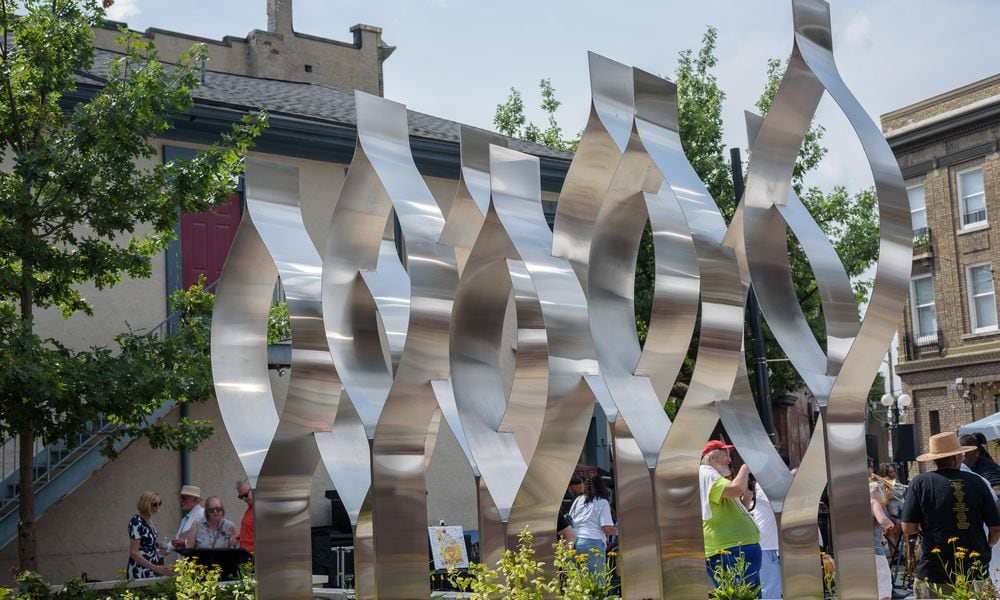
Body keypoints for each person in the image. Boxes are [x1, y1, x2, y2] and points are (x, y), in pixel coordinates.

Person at [901, 432, 1000, 598]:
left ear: (934, 459)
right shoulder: (978, 481)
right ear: (957, 457)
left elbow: (908, 528)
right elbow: (996, 529)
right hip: (974, 570)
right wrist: (985, 547)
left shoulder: (920, 482)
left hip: (934, 570)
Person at [699, 439, 761, 594]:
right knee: (737, 594)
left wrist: (746, 497)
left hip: (735, 548)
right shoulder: (707, 474)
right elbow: (735, 489)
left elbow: (738, 503)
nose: (729, 459)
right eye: (725, 455)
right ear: (712, 458)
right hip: (728, 549)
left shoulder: (715, 478)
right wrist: (745, 469)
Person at [567, 474, 616, 575]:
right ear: (601, 486)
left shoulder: (578, 500)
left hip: (575, 543)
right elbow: (606, 528)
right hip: (593, 543)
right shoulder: (602, 502)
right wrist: (618, 530)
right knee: (596, 580)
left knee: (578, 580)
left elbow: (571, 519)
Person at [126, 490, 171, 579]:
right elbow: (134, 552)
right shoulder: (136, 522)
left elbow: (147, 545)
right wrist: (156, 568)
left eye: (160, 503)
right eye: (155, 504)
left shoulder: (148, 521)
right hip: (140, 570)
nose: (158, 507)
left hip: (151, 569)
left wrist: (159, 549)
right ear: (146, 504)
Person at [748, 474, 780, 599]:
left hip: (767, 544)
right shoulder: (763, 487)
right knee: (770, 587)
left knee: (770, 585)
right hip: (766, 545)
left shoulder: (761, 488)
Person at [870, 473, 894, 600]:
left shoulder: (860, 505)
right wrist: (890, 524)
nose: (883, 497)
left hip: (858, 552)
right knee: (884, 585)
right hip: (875, 551)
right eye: (882, 493)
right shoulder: (873, 502)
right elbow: (883, 520)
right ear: (875, 491)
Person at [232, 478, 255, 552]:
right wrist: (240, 536)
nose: (244, 499)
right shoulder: (250, 508)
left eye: (245, 495)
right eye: (241, 497)